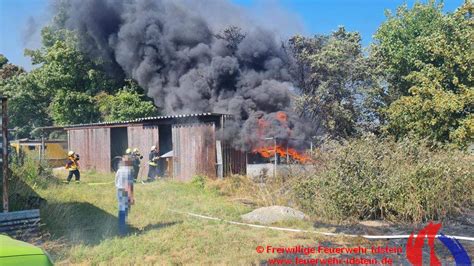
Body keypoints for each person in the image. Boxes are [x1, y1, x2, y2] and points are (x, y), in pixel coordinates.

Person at [115, 155, 135, 236]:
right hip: (125, 192)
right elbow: (128, 185)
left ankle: (121, 228)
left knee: (121, 210)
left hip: (119, 191)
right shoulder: (128, 171)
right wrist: (131, 197)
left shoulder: (119, 170)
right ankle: (122, 231)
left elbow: (116, 181)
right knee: (124, 211)